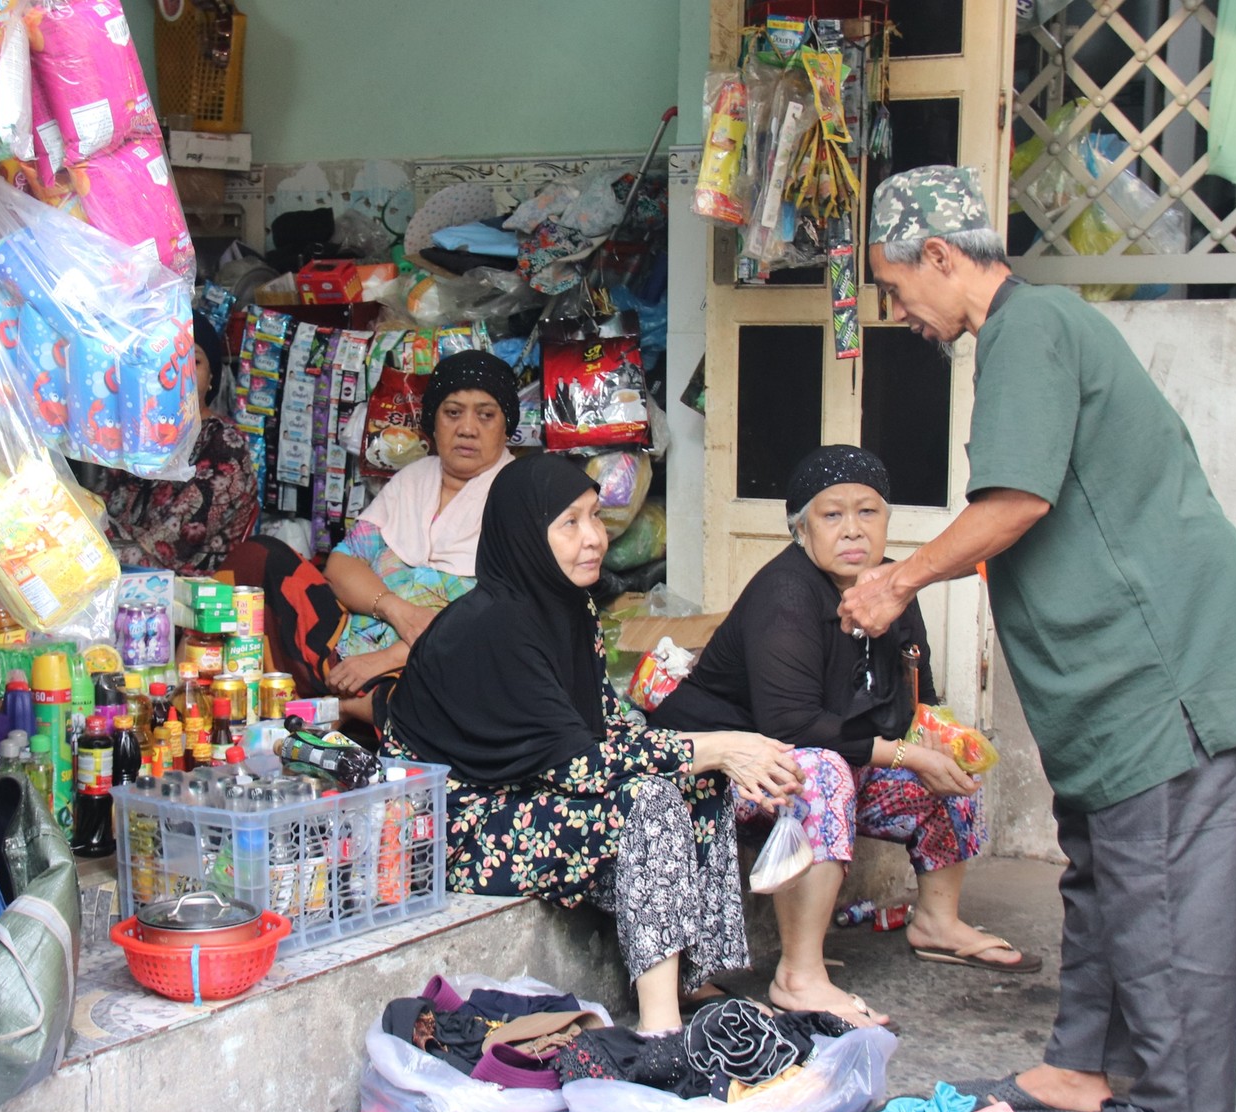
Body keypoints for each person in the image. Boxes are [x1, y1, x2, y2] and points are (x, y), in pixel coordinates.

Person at [838, 165, 1236, 1112]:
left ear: (941, 256)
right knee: (1104, 876)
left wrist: (897, 580)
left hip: (1160, 670)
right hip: (1115, 681)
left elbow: (1015, 502)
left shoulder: (1030, 328)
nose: (898, 309)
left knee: (1161, 896)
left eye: (894, 285)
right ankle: (1085, 1063)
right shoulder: (1032, 329)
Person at [384, 457, 803, 1034]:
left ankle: (695, 981)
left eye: (595, 519)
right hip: (461, 827)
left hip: (535, 794)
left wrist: (717, 755)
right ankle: (661, 1027)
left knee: (700, 781)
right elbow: (575, 764)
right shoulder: (493, 625)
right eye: (570, 523)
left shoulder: (567, 607)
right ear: (527, 534)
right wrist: (711, 745)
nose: (594, 539)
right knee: (651, 800)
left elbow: (606, 728)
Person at [652, 445, 1030, 1028]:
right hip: (718, 777)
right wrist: (905, 753)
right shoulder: (786, 594)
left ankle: (938, 920)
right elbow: (792, 727)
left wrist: (937, 742)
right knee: (820, 772)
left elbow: (918, 696)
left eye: (868, 512)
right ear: (800, 527)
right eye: (831, 515)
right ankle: (798, 976)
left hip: (816, 755)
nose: (853, 530)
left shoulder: (891, 588)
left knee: (948, 752)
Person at [230, 350, 517, 717]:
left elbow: (499, 613)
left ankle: (342, 709)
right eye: (453, 412)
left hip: (435, 658)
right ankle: (292, 695)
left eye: (486, 414)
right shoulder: (414, 480)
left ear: (506, 425)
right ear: (434, 420)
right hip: (353, 637)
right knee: (258, 557)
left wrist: (387, 658)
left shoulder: (519, 494)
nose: (467, 428)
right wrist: (397, 610)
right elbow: (342, 563)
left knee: (452, 682)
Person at [82, 314, 259, 573]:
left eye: (194, 362)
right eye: (168, 362)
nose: (180, 373)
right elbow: (95, 513)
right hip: (115, 576)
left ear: (211, 378)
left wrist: (83, 551)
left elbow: (167, 548)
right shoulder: (136, 437)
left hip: (182, 594)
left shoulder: (224, 446)